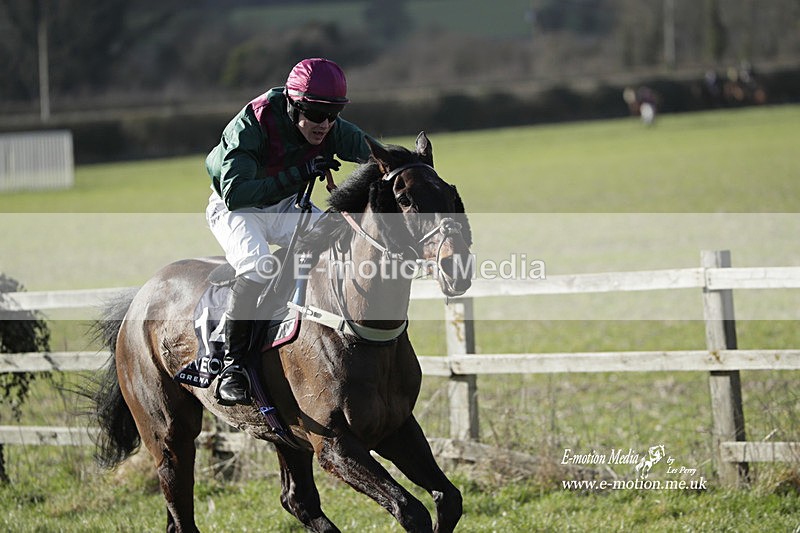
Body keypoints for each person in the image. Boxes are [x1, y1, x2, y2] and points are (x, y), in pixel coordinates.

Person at [205, 58, 379, 405]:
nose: (325, 124)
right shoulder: (251, 125)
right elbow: (237, 195)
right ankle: (232, 365)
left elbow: (376, 153)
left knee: (342, 239)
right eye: (316, 115)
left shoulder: (329, 125)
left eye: (333, 115)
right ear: (293, 104)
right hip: (237, 209)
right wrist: (301, 173)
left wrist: (408, 168)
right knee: (257, 267)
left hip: (285, 205)